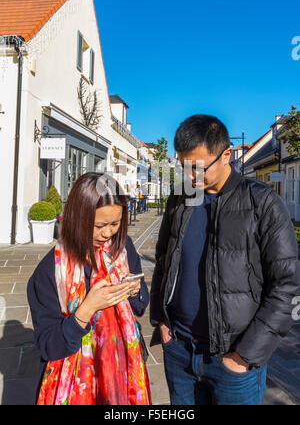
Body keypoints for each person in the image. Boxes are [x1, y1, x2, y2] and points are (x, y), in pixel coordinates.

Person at [150, 114, 300, 406]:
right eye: (184, 167)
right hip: (179, 351)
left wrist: (244, 356)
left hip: (233, 362)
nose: (191, 177)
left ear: (227, 154)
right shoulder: (180, 199)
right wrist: (162, 322)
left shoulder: (263, 203)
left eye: (199, 167)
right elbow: (163, 259)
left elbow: (287, 285)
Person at [28, 173, 151, 406]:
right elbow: (48, 345)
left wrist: (135, 291)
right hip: (75, 383)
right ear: (77, 218)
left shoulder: (123, 250)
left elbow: (141, 305)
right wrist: (86, 310)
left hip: (124, 372)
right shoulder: (49, 272)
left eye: (115, 224)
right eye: (99, 226)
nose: (107, 234)